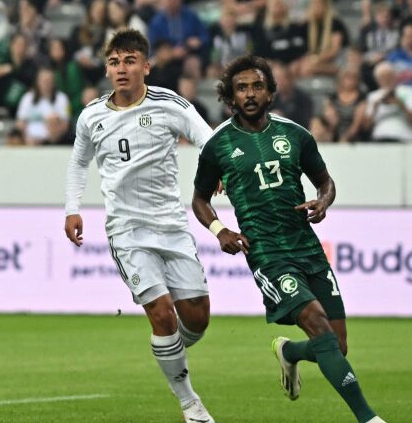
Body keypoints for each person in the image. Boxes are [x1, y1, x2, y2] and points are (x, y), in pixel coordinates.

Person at [192, 55, 386, 423]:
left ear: (270, 92)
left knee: (336, 345)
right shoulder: (218, 145)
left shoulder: (296, 135)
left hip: (306, 245)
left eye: (257, 86)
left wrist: (323, 201)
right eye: (242, 88)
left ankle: (290, 353)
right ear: (231, 97)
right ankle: (369, 418)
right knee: (317, 324)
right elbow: (199, 199)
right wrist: (221, 231)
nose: (250, 94)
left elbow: (325, 181)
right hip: (266, 251)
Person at [64, 30, 215, 423]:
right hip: (127, 230)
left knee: (197, 318)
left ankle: (168, 351)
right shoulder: (91, 116)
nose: (121, 69)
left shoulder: (169, 103)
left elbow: (206, 138)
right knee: (162, 314)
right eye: (114, 62)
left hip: (171, 225)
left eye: (130, 60)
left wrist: (217, 171)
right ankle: (190, 403)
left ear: (146, 66)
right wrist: (72, 207)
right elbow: (80, 163)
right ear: (106, 69)